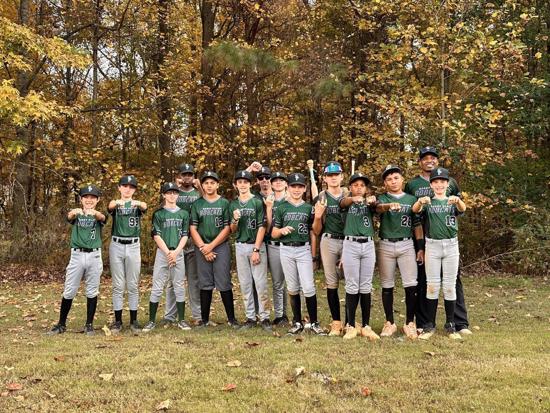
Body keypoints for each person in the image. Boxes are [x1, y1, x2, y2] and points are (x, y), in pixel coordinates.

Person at [405, 146, 471, 335]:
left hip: (448, 240)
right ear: (420, 161)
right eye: (425, 158)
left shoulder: (451, 183)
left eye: (433, 157)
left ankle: (458, 322)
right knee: (426, 282)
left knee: (453, 282)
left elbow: (459, 209)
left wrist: (456, 204)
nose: (429, 160)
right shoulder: (413, 185)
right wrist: (420, 246)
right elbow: (414, 214)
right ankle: (425, 322)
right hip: (426, 239)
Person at [47, 185, 107, 336]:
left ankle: (89, 325)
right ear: (81, 199)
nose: (89, 200)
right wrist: (74, 212)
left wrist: (95, 213)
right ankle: (61, 324)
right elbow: (69, 217)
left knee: (92, 290)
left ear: (97, 200)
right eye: (86, 197)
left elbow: (103, 218)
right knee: (69, 290)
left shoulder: (98, 214)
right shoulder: (77, 213)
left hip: (94, 255)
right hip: (77, 255)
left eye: (92, 197)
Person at [272, 173, 324, 335]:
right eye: (293, 186)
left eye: (300, 186)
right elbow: (273, 233)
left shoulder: (309, 208)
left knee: (308, 287)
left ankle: (314, 322)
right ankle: (297, 322)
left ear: (304, 188)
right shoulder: (281, 208)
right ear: (288, 187)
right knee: (293, 287)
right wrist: (281, 230)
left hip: (303, 249)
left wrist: (318, 217)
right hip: (286, 249)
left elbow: (316, 232)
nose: (296, 189)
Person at [376, 165, 422, 340]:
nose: (393, 181)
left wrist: (420, 247)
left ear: (402, 179)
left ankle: (410, 322)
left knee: (411, 285)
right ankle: (390, 322)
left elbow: (417, 224)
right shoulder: (382, 198)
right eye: (389, 179)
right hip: (386, 244)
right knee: (387, 285)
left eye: (396, 177)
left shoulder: (411, 199)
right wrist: (388, 206)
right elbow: (377, 208)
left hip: (406, 243)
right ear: (385, 183)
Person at [190, 171, 239, 328]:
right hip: (202, 246)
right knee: (205, 283)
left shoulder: (224, 203)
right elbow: (192, 228)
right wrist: (203, 247)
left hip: (220, 246)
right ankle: (204, 320)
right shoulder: (197, 204)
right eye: (206, 183)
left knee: (224, 282)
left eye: (212, 183)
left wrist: (210, 247)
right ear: (202, 185)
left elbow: (228, 228)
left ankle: (231, 319)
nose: (209, 185)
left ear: (217, 185)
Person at [143, 182, 190, 332]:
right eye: (169, 192)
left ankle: (181, 320)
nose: (172, 195)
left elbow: (185, 235)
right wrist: (168, 253)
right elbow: (156, 235)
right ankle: (151, 321)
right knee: (157, 287)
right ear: (164, 195)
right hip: (163, 253)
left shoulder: (183, 213)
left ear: (178, 195)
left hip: (178, 252)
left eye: (174, 192)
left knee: (179, 286)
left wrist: (175, 252)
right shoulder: (158, 214)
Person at [339, 173, 380, 341]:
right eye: (355, 185)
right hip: (351, 244)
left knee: (366, 285)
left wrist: (374, 201)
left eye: (362, 185)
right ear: (350, 187)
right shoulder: (347, 201)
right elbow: (343, 203)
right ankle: (350, 325)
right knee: (352, 285)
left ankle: (366, 325)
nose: (359, 188)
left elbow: (377, 207)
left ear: (366, 188)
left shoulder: (369, 202)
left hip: (368, 244)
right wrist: (353, 198)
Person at [229, 170, 271, 331]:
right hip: (240, 245)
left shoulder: (257, 202)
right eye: (239, 182)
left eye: (245, 182)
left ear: (250, 184)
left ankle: (265, 317)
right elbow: (232, 230)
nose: (242, 185)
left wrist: (256, 249)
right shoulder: (233, 204)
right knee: (245, 284)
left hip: (256, 245)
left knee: (261, 284)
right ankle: (250, 317)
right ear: (235, 185)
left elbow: (262, 226)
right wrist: (235, 220)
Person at [163, 163, 202, 325]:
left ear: (193, 176)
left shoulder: (197, 193)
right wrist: (174, 186)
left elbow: (206, 203)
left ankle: (198, 315)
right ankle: (170, 316)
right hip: (175, 241)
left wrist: (200, 188)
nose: (187, 177)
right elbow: (164, 209)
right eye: (184, 174)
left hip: (193, 240)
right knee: (173, 281)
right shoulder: (174, 192)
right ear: (179, 176)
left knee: (194, 280)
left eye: (190, 174)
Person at [108, 175, 147, 334]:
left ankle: (133, 320)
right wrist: (119, 202)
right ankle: (117, 321)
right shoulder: (116, 203)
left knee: (132, 284)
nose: (127, 189)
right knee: (118, 285)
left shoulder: (137, 204)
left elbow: (144, 206)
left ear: (134, 190)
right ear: (119, 187)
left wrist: (136, 202)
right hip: (117, 244)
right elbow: (110, 206)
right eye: (124, 186)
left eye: (131, 187)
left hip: (133, 245)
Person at [312, 161, 347, 337]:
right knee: (332, 282)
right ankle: (336, 322)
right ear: (325, 178)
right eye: (330, 175)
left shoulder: (349, 194)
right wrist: (318, 217)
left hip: (349, 240)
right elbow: (316, 231)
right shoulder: (321, 197)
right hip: (329, 240)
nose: (333, 178)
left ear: (342, 176)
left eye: (336, 174)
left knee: (352, 282)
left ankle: (350, 322)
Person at [264, 171, 289, 326]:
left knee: (293, 284)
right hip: (274, 245)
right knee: (278, 282)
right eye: (275, 180)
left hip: (290, 245)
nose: (278, 182)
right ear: (271, 184)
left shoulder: (292, 198)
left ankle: (295, 315)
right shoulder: (269, 200)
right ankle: (280, 315)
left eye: (281, 180)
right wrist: (269, 208)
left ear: (286, 183)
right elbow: (268, 228)